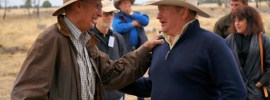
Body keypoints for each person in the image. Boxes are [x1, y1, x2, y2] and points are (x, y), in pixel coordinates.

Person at [10, 0, 164, 100]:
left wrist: (145, 50)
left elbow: (112, 73)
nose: (101, 13)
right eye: (97, 6)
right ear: (78, 5)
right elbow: (26, 95)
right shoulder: (50, 40)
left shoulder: (86, 42)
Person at [120, 0, 247, 99]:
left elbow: (235, 91)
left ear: (184, 12)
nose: (158, 16)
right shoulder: (160, 44)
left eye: (163, 10)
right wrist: (113, 79)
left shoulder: (213, 44)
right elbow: (153, 85)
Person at [225, 6, 270, 100]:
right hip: (235, 94)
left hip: (256, 94)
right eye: (235, 20)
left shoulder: (263, 40)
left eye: (240, 20)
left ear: (250, 21)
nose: (236, 24)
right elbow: (222, 64)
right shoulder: (230, 39)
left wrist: (260, 83)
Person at [90, 3, 126, 100]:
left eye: (112, 13)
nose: (109, 17)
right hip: (96, 96)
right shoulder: (88, 38)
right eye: (106, 13)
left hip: (117, 95)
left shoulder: (118, 38)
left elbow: (124, 67)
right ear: (97, 14)